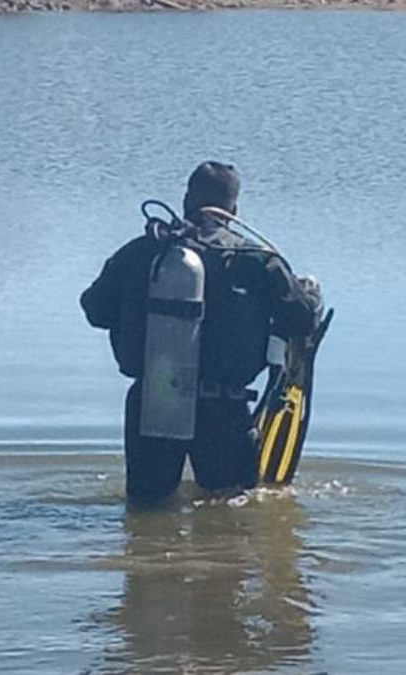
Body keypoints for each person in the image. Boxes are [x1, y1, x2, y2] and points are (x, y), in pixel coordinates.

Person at [80, 161, 323, 505]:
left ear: (185, 201)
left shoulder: (142, 251)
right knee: (229, 506)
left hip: (153, 400)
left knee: (147, 508)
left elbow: (95, 309)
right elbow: (302, 319)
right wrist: (309, 294)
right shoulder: (254, 259)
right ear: (233, 210)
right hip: (224, 408)